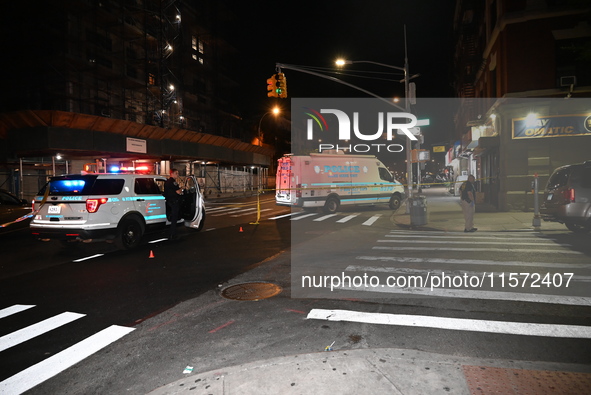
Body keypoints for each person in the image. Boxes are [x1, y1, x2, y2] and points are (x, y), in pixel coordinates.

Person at [164, 168, 183, 240]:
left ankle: (172, 233)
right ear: (171, 174)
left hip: (169, 202)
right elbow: (178, 192)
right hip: (174, 202)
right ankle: (173, 234)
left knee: (172, 218)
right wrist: (182, 188)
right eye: (176, 173)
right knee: (174, 219)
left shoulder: (167, 182)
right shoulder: (173, 182)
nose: (177, 175)